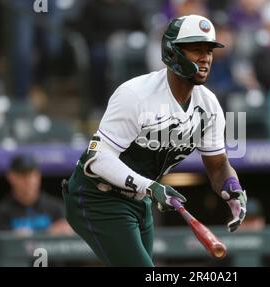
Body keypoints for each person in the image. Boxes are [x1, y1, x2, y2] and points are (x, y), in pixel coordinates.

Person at [62, 15, 248, 267]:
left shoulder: (209, 104)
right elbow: (97, 160)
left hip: (141, 200)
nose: (205, 58)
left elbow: (217, 164)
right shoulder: (135, 94)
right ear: (173, 52)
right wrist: (150, 187)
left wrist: (232, 187)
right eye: (196, 50)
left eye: (209, 50)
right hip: (97, 197)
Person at [0, 154, 72, 235]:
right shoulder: (1, 212)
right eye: (22, 175)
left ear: (38, 176)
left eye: (31, 174)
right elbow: (3, 245)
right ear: (11, 177)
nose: (28, 180)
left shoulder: (56, 207)